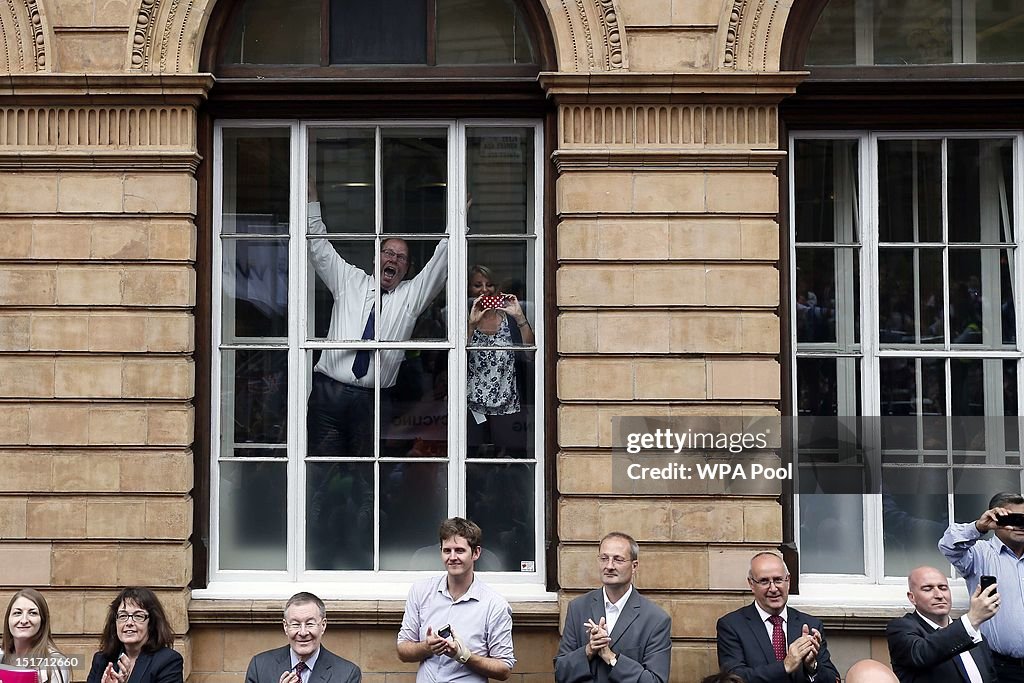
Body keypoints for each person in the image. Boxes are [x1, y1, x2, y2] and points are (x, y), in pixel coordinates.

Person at [306, 180, 448, 458]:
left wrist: (458, 220)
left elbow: (440, 266)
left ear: (406, 269)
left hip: (372, 399)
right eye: (389, 252)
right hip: (329, 393)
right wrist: (312, 200)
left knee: (365, 477)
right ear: (376, 258)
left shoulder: (410, 297)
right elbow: (319, 248)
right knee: (321, 472)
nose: (394, 259)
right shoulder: (350, 280)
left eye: (402, 258)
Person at [396, 517, 515, 682]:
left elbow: (504, 669)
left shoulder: (494, 605)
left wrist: (463, 655)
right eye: (447, 550)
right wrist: (427, 647)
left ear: (476, 553)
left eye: (459, 550)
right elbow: (402, 650)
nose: (452, 557)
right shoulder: (421, 591)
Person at [553, 532, 671, 683]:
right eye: (604, 559)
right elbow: (560, 672)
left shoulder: (656, 619)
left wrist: (611, 658)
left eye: (618, 559)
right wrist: (589, 650)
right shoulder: (578, 608)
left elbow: (655, 681)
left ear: (634, 566)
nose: (609, 566)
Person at [938, 491, 1024, 682]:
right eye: (1013, 518)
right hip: (999, 667)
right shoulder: (978, 554)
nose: (1019, 525)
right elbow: (948, 545)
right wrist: (979, 527)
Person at [716, 552, 840, 683]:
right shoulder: (732, 626)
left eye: (778, 580)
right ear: (751, 584)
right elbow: (734, 678)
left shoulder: (810, 625)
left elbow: (833, 679)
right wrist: (785, 666)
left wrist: (812, 667)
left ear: (788, 580)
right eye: (764, 581)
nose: (773, 588)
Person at [466, 264, 534, 459]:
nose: (485, 290)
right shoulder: (462, 316)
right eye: (477, 285)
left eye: (490, 285)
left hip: (508, 403)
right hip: (473, 404)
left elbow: (530, 354)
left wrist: (519, 316)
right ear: (469, 289)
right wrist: (471, 326)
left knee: (508, 458)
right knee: (474, 458)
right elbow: (456, 358)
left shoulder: (509, 319)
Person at [885, 566, 997, 683]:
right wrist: (972, 619)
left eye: (943, 588)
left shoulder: (974, 634)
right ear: (912, 598)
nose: (939, 595)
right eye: (928, 589)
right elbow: (922, 654)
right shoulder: (900, 628)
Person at [244, 592, 360, 683]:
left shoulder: (347, 674)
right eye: (295, 624)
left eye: (310, 624)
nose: (303, 632)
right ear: (285, 627)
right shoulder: (260, 666)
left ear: (323, 625)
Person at [85, 587, 183, 683]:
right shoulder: (101, 660)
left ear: (151, 623)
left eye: (138, 616)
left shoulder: (168, 661)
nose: (129, 622)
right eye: (123, 616)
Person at [2, 589, 70, 683]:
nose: (24, 620)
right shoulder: (2, 656)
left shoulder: (54, 662)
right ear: (8, 619)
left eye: (32, 613)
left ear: (43, 621)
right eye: (17, 613)